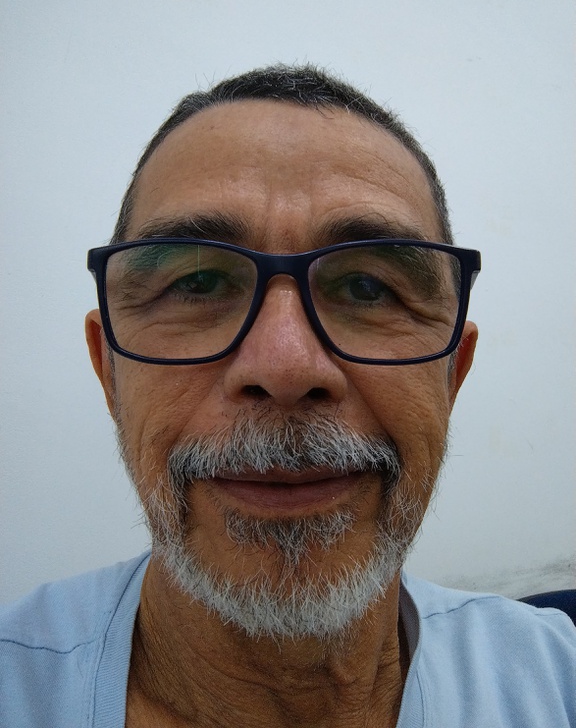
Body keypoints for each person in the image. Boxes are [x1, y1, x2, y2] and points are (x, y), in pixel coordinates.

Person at [1, 65, 574, 728]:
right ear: (109, 371)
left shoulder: (557, 681)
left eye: (367, 288)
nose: (285, 366)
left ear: (452, 375)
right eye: (197, 283)